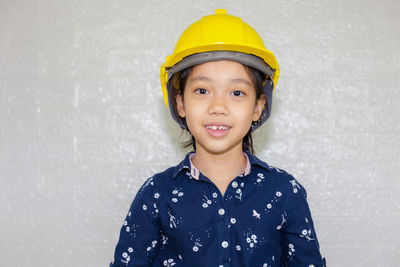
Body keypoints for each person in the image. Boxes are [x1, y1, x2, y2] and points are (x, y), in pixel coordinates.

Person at [110, 9, 326, 267]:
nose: (218, 106)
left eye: (236, 92)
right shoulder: (156, 195)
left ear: (258, 106)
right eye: (202, 90)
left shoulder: (285, 192)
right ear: (180, 103)